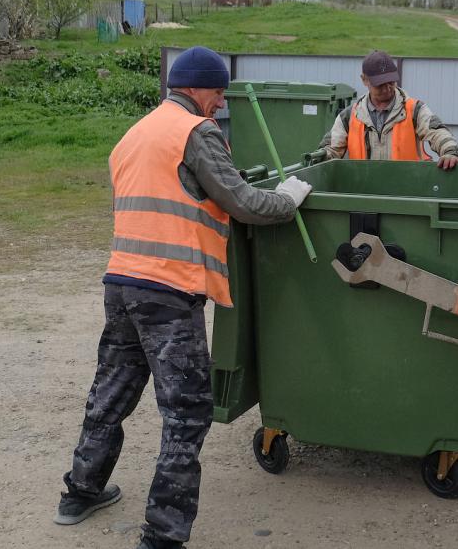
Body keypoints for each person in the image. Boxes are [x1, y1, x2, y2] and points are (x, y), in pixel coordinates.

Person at [53, 46, 313, 549]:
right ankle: (164, 535)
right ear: (196, 87)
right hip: (169, 291)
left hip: (122, 282)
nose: (220, 103)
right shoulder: (195, 133)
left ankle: (80, 491)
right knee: (188, 411)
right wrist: (288, 198)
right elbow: (241, 201)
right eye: (218, 93)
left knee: (111, 393)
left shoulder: (134, 134)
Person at [318, 50, 458, 169]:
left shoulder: (415, 110)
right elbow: (331, 149)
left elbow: (437, 132)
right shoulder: (349, 116)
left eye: (391, 82)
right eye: (380, 84)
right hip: (363, 192)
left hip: (408, 192)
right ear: (364, 80)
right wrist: (320, 156)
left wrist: (450, 151)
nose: (387, 89)